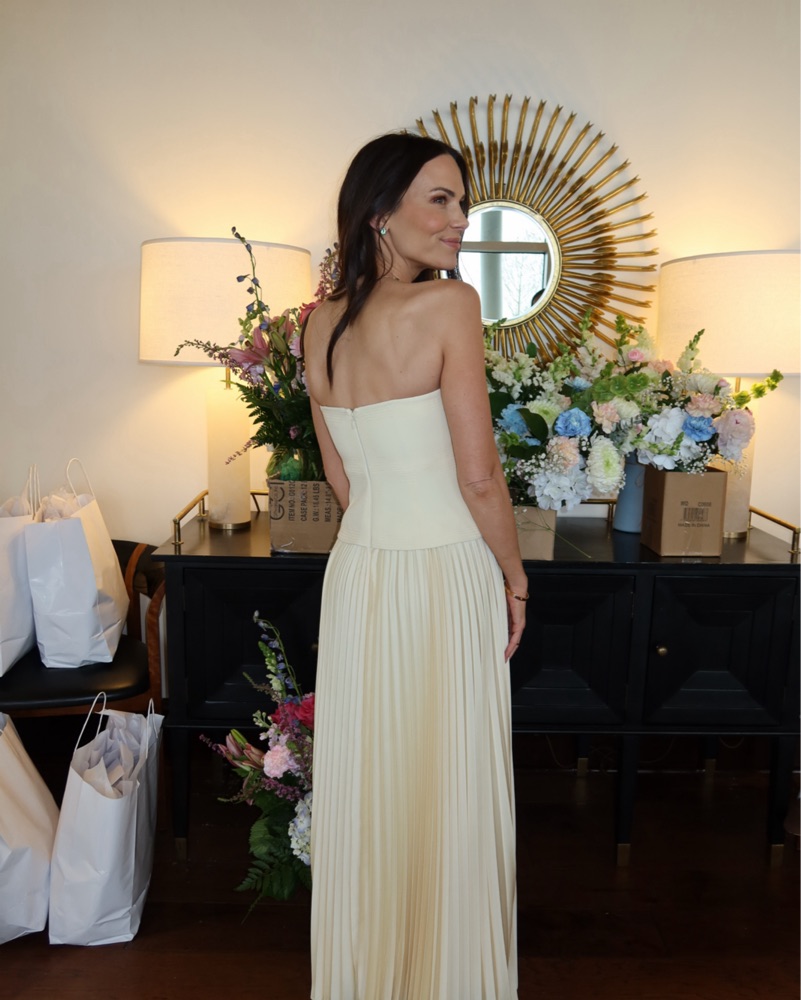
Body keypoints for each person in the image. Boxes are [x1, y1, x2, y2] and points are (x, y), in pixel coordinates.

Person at [303, 131, 527, 1000]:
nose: (460, 218)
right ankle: (447, 976)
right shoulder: (449, 306)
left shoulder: (318, 323)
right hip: (442, 571)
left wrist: (381, 539)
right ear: (378, 213)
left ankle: (367, 976)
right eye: (440, 199)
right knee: (447, 778)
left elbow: (339, 476)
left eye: (461, 201)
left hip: (360, 573)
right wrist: (513, 576)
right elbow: (478, 477)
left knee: (374, 778)